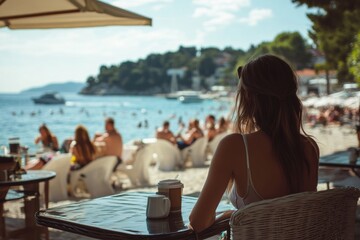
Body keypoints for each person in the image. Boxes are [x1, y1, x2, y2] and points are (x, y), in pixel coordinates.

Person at [189, 54, 319, 232]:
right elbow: (304, 214)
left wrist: (234, 215)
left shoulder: (234, 146)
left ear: (248, 98)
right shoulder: (309, 147)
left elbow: (198, 222)